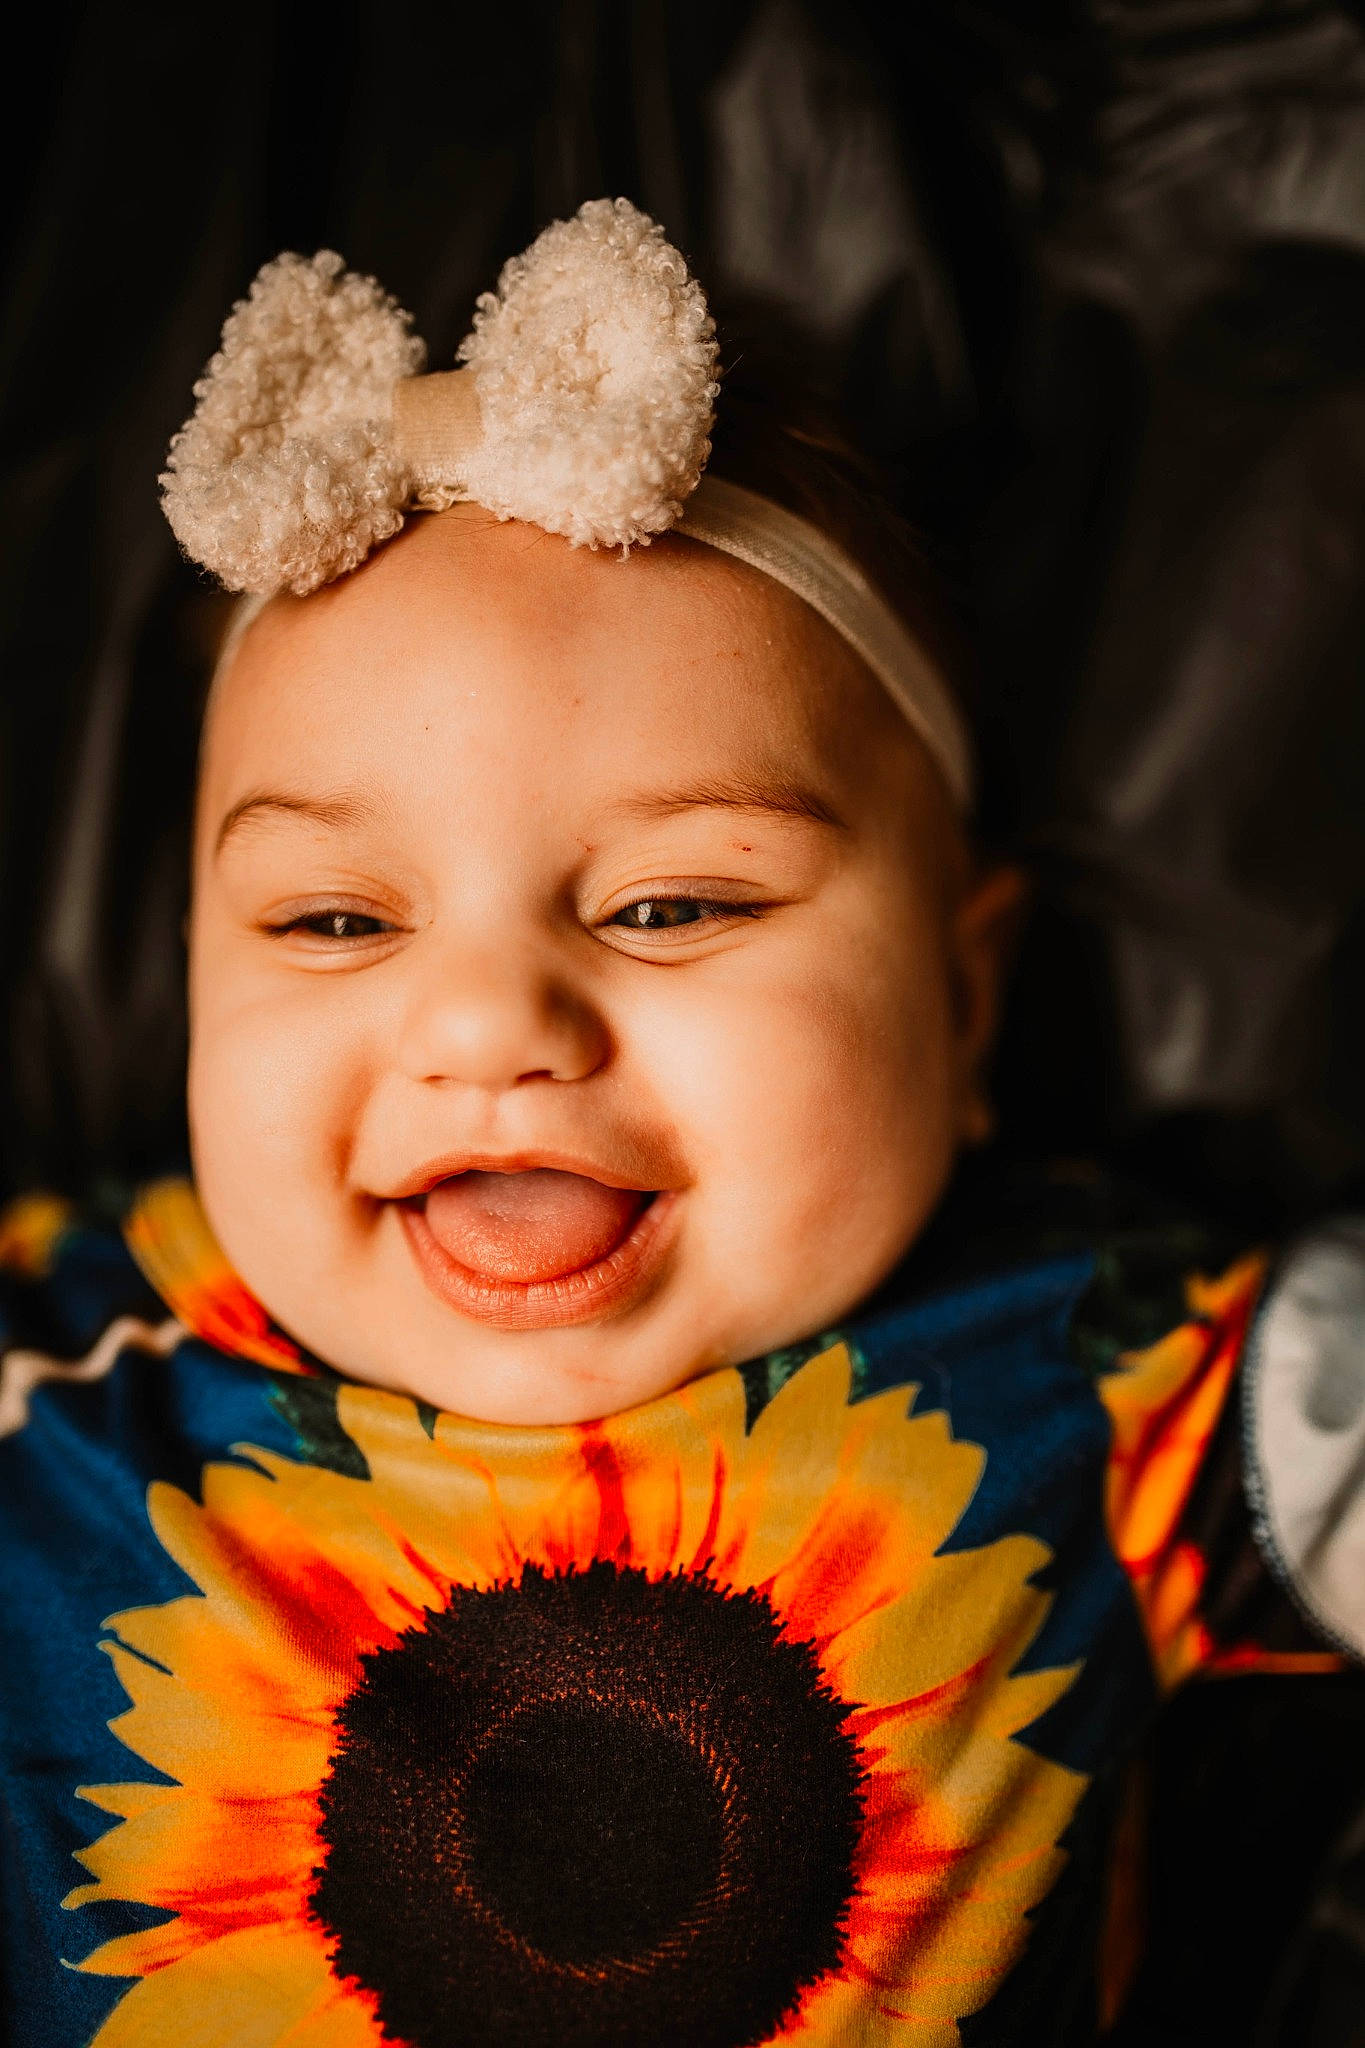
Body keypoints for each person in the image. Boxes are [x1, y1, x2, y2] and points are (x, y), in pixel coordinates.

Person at [0, 199, 1357, 2048]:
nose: (488, 1023)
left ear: (964, 993)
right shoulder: (62, 1357)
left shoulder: (1126, 1366)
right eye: (331, 922)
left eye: (670, 905)